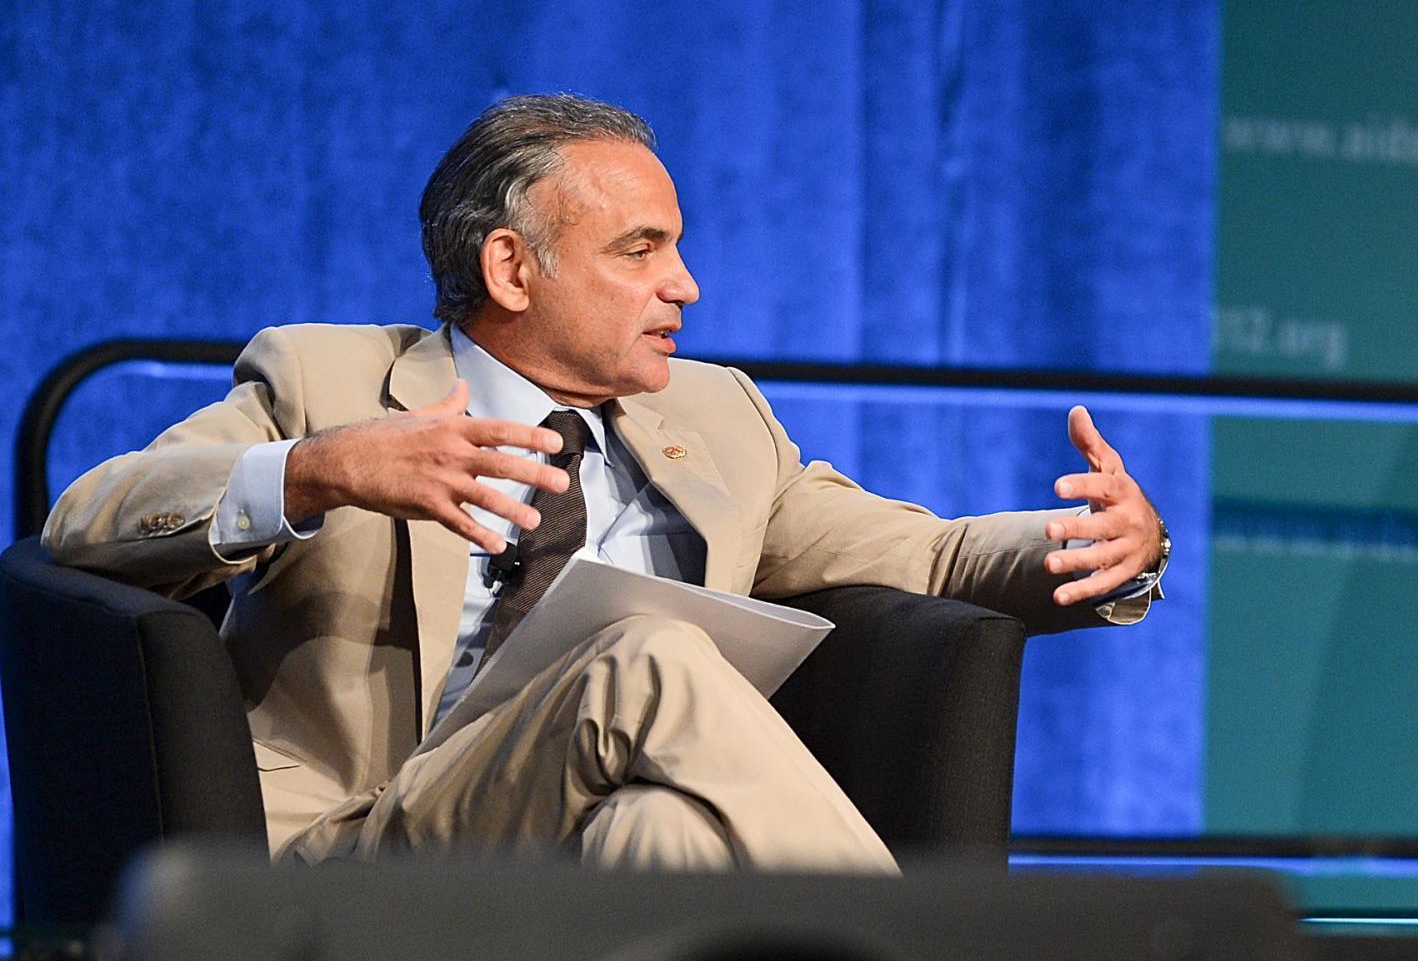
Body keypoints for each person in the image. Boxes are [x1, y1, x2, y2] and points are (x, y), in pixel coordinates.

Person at [45, 94, 1168, 873]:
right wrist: (317, 470)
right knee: (645, 653)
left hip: (577, 845)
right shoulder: (326, 376)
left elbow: (922, 556)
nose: (684, 284)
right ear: (510, 267)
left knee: (664, 836)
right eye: (640, 250)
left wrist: (1106, 547)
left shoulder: (716, 418)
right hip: (376, 839)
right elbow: (83, 520)